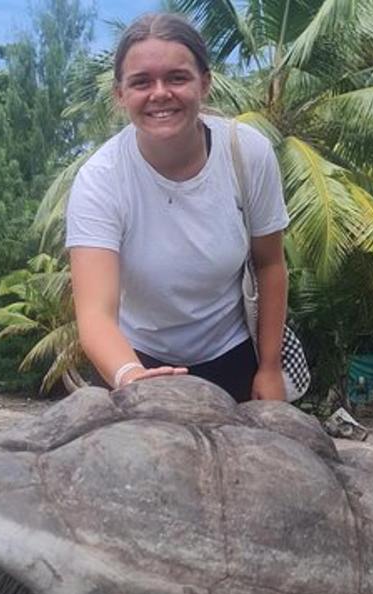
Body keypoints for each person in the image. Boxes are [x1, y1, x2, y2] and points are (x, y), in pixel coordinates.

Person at [65, 12, 290, 402]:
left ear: (205, 83)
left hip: (234, 355)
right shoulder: (100, 178)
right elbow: (95, 313)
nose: (160, 93)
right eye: (141, 82)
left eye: (177, 77)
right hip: (135, 358)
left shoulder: (248, 153)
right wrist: (132, 376)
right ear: (120, 95)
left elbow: (271, 264)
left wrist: (270, 368)